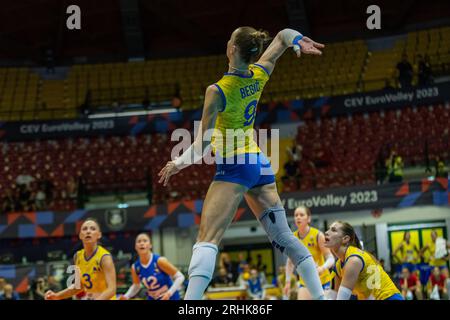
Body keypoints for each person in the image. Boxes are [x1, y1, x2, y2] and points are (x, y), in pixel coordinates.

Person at [158, 26, 326, 300]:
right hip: (259, 163)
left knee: (207, 238)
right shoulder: (260, 73)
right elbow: (283, 36)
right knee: (284, 237)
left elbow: (202, 145)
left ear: (232, 49)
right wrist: (297, 40)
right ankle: (320, 298)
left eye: (229, 39)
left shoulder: (218, 90)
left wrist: (177, 163)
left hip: (234, 166)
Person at [324, 221, 403, 300]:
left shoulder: (353, 260)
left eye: (333, 230)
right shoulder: (338, 265)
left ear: (345, 239)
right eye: (328, 229)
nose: (326, 232)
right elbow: (333, 296)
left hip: (388, 297)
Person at [44, 218, 117, 300]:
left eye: (93, 229)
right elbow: (78, 286)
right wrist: (57, 296)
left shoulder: (104, 257)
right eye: (84, 229)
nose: (88, 231)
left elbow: (112, 289)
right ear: (80, 235)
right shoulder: (77, 256)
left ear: (99, 235)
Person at [284, 206, 334, 299]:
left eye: (301, 215)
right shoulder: (292, 238)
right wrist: (287, 281)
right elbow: (290, 262)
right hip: (305, 282)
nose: (298, 217)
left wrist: (322, 268)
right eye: (296, 215)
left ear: (309, 218)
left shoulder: (318, 235)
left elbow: (331, 258)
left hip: (322, 281)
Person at [120, 233, 185, 300]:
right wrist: (126, 296)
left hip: (170, 297)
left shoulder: (159, 261)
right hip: (152, 297)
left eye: (145, 241)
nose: (142, 243)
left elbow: (180, 276)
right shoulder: (135, 267)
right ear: (135, 247)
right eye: (139, 241)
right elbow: (136, 285)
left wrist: (169, 293)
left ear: (150, 245)